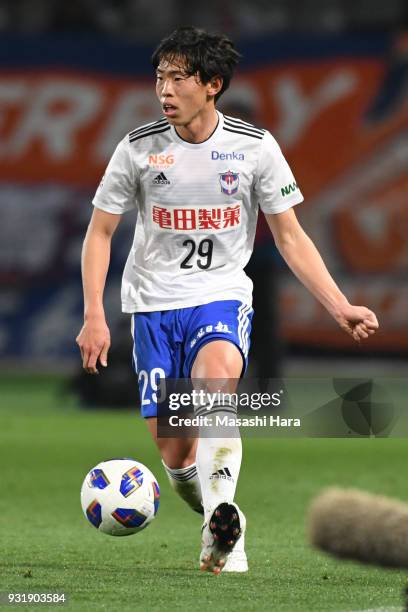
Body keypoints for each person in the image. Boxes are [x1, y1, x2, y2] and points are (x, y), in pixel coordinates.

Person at [76, 26, 379, 575]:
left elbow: (290, 236)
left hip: (220, 295)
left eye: (178, 78)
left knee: (217, 388)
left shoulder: (254, 148)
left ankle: (228, 541)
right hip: (151, 304)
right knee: (176, 455)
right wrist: (95, 314)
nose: (164, 89)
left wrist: (340, 305)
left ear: (212, 84)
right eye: (159, 77)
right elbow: (99, 233)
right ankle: (213, 511)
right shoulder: (138, 149)